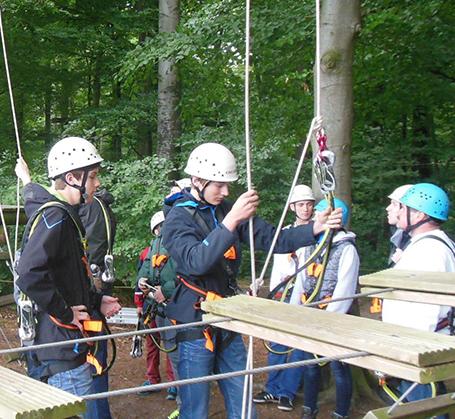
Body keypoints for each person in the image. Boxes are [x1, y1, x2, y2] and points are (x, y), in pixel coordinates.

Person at [161, 142, 341, 419]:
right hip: (194, 321)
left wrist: (314, 229)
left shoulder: (226, 210)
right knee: (195, 406)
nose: (226, 192)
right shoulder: (178, 218)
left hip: (227, 316)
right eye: (219, 185)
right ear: (197, 181)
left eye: (228, 185)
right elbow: (195, 262)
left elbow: (272, 238)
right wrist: (231, 221)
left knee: (243, 399)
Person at [14, 137, 122, 417]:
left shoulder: (57, 212)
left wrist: (97, 300)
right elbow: (28, 274)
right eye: (94, 176)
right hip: (63, 350)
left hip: (62, 345)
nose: (98, 184)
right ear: (72, 178)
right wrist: (64, 313)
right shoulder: (57, 218)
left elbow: (67, 277)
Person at [381, 183, 455, 418]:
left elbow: (423, 310)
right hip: (419, 351)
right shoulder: (426, 245)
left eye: (401, 206)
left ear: (419, 213)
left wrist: (405, 356)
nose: (395, 210)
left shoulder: (430, 250)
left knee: (425, 409)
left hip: (420, 352)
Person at [290, 199, 359, 419]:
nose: (314, 217)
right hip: (311, 315)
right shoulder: (310, 244)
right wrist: (294, 311)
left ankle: (341, 413)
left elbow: (345, 289)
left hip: (334, 320)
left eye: (320, 214)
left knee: (339, 368)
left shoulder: (346, 249)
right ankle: (310, 408)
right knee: (311, 365)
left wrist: (329, 322)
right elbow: (301, 279)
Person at [254, 184, 316, 412]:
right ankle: (273, 388)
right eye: (301, 204)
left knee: (299, 344)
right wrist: (267, 288)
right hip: (282, 293)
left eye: (309, 204)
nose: (306, 209)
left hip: (305, 296)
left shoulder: (317, 234)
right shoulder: (285, 234)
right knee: (277, 343)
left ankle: (287, 393)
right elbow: (278, 264)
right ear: (293, 207)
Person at [79, 187, 117, 419]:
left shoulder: (92, 207)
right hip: (94, 291)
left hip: (88, 295)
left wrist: (91, 286)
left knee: (90, 363)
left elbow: (91, 249)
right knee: (96, 362)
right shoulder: (100, 207)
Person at [135, 210, 178, 401]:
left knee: (170, 343)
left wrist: (166, 290)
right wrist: (141, 284)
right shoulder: (151, 249)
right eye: (159, 228)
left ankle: (173, 382)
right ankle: (153, 379)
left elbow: (183, 275)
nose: (161, 230)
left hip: (170, 303)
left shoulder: (178, 245)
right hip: (152, 303)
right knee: (153, 342)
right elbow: (143, 270)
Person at [385, 184, 413, 267]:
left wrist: (404, 263)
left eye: (394, 204)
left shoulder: (427, 244)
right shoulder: (400, 237)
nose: (388, 208)